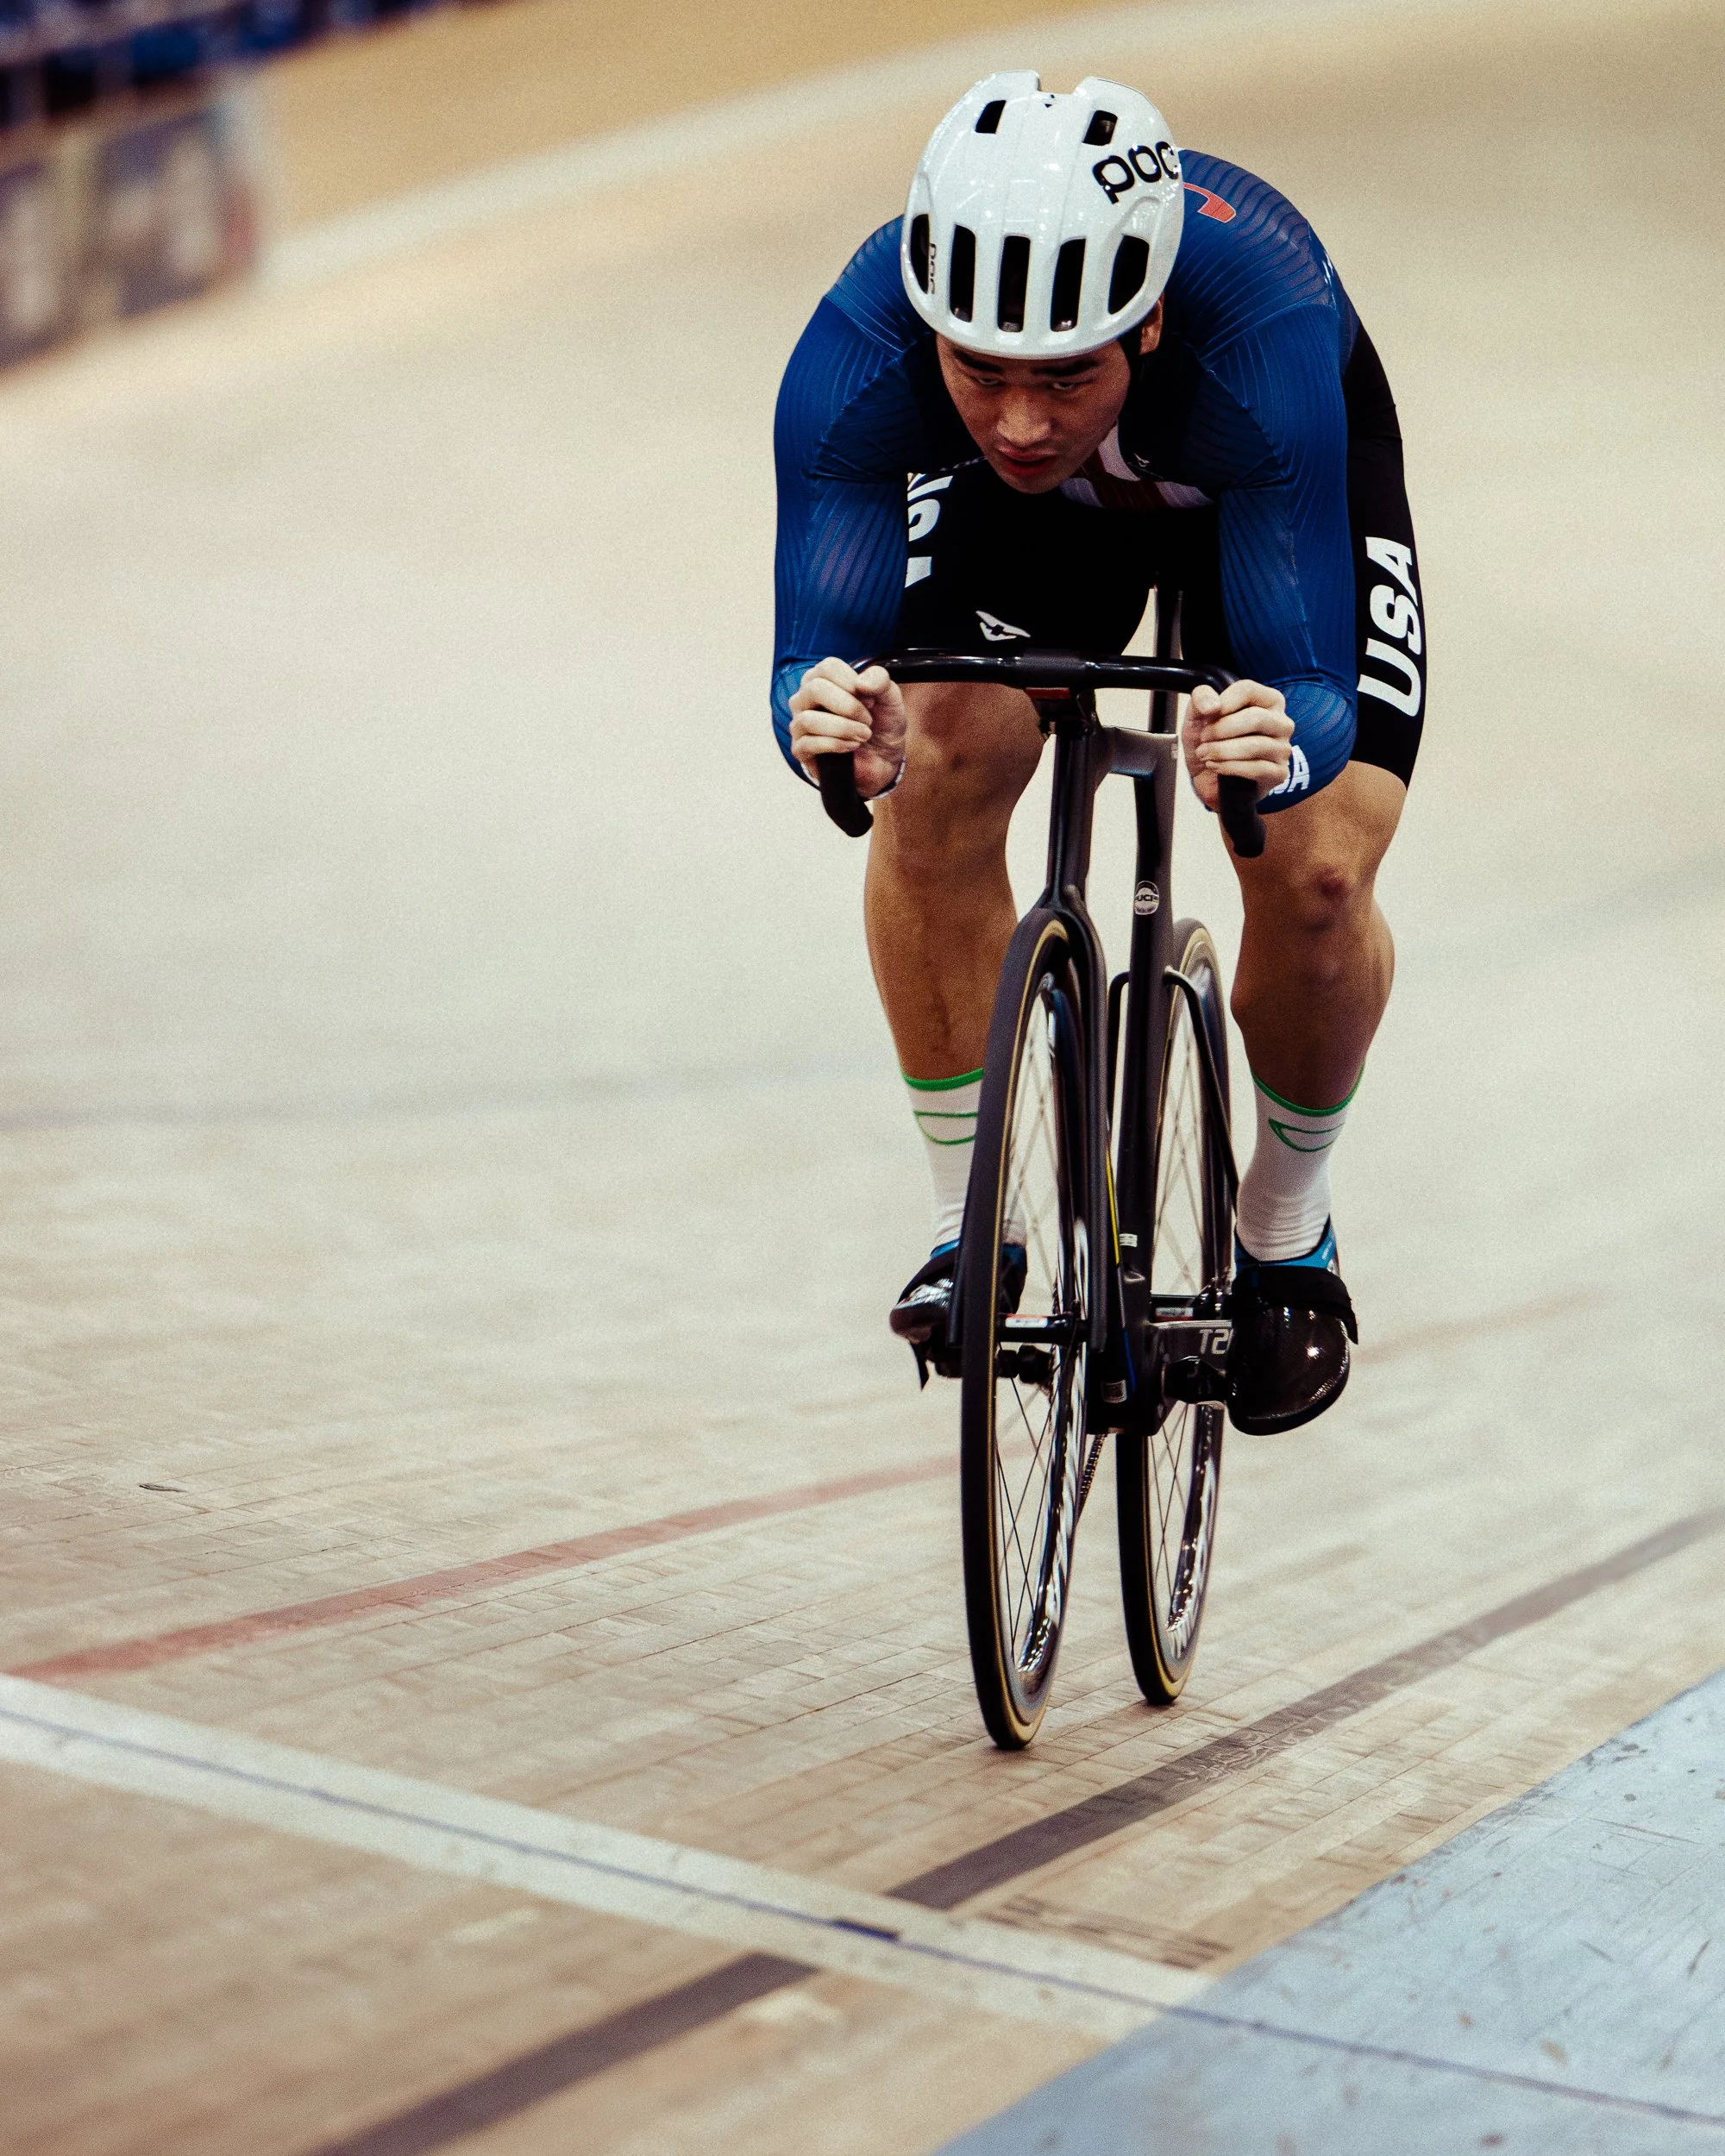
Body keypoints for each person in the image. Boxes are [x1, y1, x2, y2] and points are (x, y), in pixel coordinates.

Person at [773, 73, 1424, 1433]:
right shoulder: (859, 352)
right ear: (931, 330)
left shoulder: (1263, 326)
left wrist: (1276, 740)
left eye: (1064, 374)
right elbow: (816, 661)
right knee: (937, 774)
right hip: (1046, 530)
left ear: (1150, 319)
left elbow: (1312, 684)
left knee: (1312, 873)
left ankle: (1287, 1232)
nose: (1016, 421)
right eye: (979, 373)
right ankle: (969, 1226)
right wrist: (835, 730)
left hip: (1265, 484)